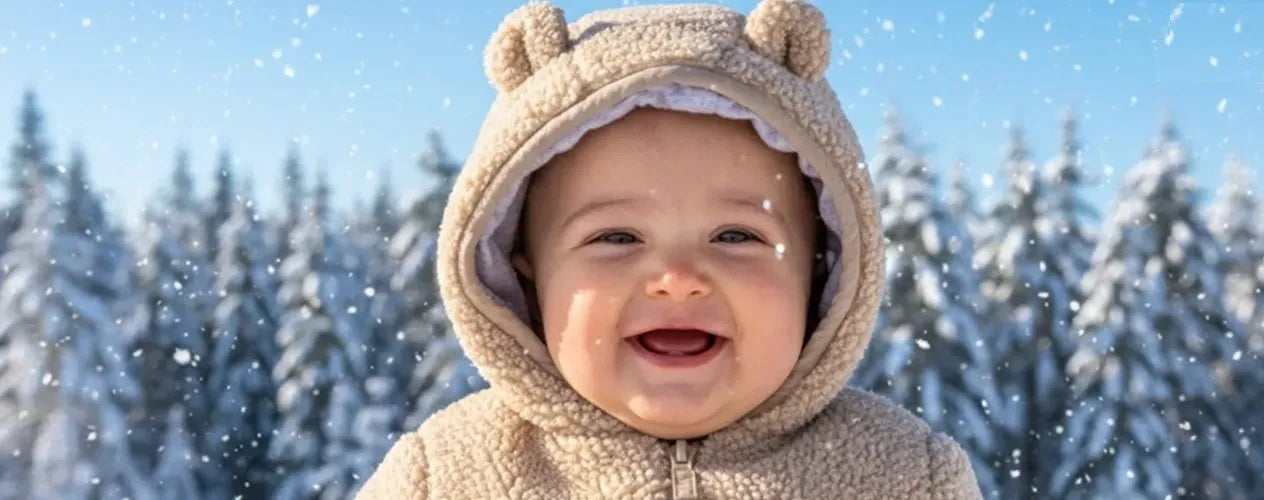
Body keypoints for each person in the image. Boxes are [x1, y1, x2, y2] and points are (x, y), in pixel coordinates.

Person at [357, 0, 980, 498]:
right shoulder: (446, 477)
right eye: (617, 238)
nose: (677, 278)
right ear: (526, 273)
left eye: (737, 236)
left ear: (820, 269)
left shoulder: (902, 477)